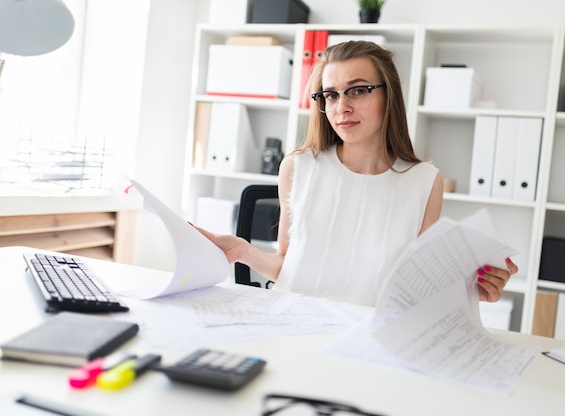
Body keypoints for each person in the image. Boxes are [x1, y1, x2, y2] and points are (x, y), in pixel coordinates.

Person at [196, 40, 518, 307]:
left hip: (367, 340)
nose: (341, 107)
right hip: (291, 323)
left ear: (387, 96)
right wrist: (243, 251)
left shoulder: (424, 182)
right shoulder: (298, 168)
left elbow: (418, 289)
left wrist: (470, 288)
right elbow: (289, 266)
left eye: (358, 90)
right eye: (331, 94)